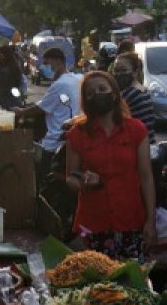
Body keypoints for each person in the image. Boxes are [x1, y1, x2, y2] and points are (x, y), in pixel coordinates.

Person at [64, 71, 155, 259]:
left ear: (114, 93)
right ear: (85, 101)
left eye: (102, 89)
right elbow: (70, 177)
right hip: (93, 223)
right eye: (90, 92)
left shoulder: (136, 130)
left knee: (132, 283)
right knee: (98, 284)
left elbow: (146, 178)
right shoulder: (77, 134)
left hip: (131, 219)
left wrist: (151, 221)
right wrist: (84, 181)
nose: (97, 94)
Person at [16, 47, 83, 171]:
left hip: (55, 142)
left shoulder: (60, 84)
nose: (45, 68)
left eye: (47, 64)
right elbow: (49, 101)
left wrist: (20, 112)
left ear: (58, 61)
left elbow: (40, 108)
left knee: (44, 177)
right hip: (73, 138)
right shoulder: (77, 78)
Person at [112, 51, 156, 140]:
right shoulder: (142, 89)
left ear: (135, 72)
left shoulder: (132, 93)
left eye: (124, 70)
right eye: (116, 70)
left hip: (139, 145)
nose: (119, 74)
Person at [0, 44, 26, 109]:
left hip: (4, 106)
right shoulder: (16, 69)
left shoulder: (1, 72)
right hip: (16, 103)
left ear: (1, 57)